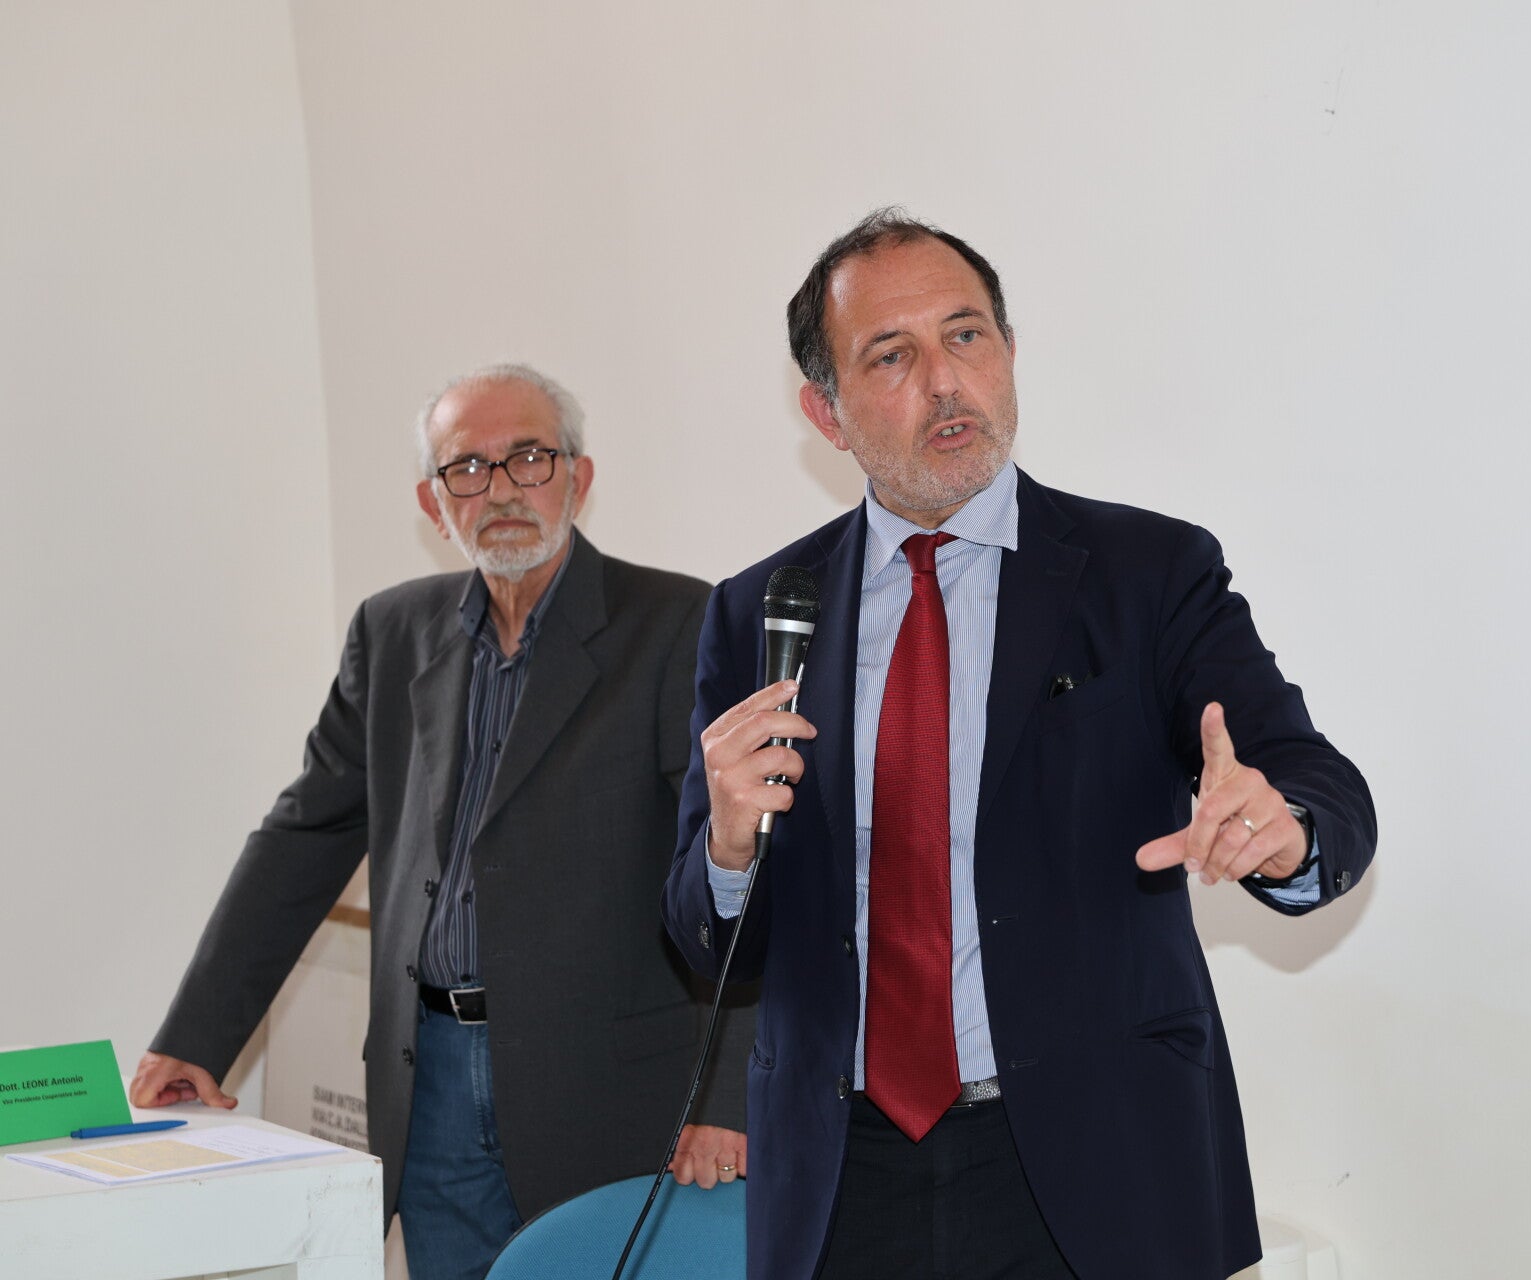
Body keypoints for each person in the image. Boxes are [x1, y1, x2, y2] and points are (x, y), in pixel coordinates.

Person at [662, 211, 1377, 1279]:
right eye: (891, 356)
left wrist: (1290, 829)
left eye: (967, 335)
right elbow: (703, 938)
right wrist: (726, 847)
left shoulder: (1146, 572)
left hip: (1096, 1157)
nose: (945, 381)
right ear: (827, 412)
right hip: (842, 1172)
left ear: (1007, 352)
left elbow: (1312, 776)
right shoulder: (760, 610)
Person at [135, 364, 753, 1280]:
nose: (499, 490)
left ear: (579, 478)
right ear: (434, 503)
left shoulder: (679, 623)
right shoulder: (390, 633)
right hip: (429, 1090)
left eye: (528, 458)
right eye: (467, 468)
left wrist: (728, 1096)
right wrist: (195, 1038)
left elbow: (739, 863)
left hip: (608, 1088)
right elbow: (302, 840)